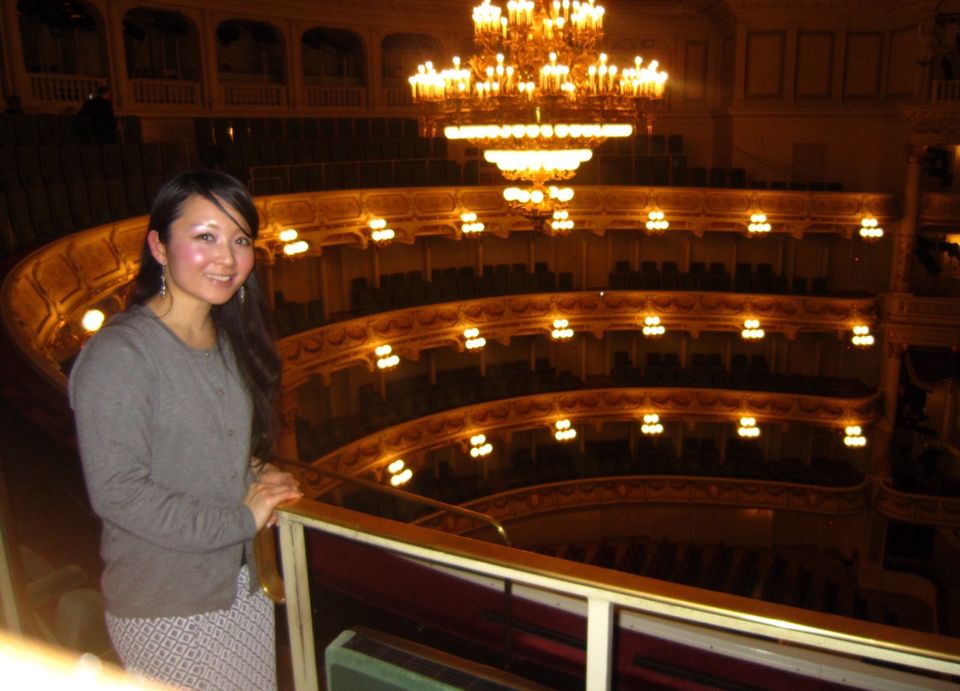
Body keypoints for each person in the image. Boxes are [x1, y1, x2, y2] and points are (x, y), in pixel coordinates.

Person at [69, 171, 302, 690]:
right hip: (168, 602)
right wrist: (242, 519)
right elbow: (120, 494)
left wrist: (250, 470)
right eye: (205, 237)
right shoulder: (120, 355)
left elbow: (193, 447)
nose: (227, 257)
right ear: (158, 245)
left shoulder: (222, 338)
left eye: (240, 239)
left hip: (237, 587)